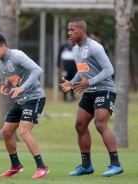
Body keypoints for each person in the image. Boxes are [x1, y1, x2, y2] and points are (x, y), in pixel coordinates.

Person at [60, 17, 123, 177]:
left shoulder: (95, 47)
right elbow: (82, 73)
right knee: (80, 125)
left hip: (105, 90)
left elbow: (109, 70)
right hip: (89, 92)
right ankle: (86, 165)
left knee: (100, 123)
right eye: (68, 30)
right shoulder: (75, 49)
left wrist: (91, 82)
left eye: (72, 30)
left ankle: (116, 164)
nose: (69, 33)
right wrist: (72, 84)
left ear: (82, 30)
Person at [0, 33, 49, 179]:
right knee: (6, 132)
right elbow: (13, 74)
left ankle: (42, 167)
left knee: (24, 131)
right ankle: (16, 166)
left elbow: (37, 70)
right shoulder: (0, 60)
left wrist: (22, 87)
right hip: (20, 100)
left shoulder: (17, 55)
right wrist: (8, 84)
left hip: (34, 98)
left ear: (4, 46)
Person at [56, 37, 77, 101]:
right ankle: (65, 97)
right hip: (65, 68)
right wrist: (58, 66)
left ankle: (72, 97)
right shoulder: (63, 47)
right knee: (65, 81)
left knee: (73, 81)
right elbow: (59, 57)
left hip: (74, 68)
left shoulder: (76, 47)